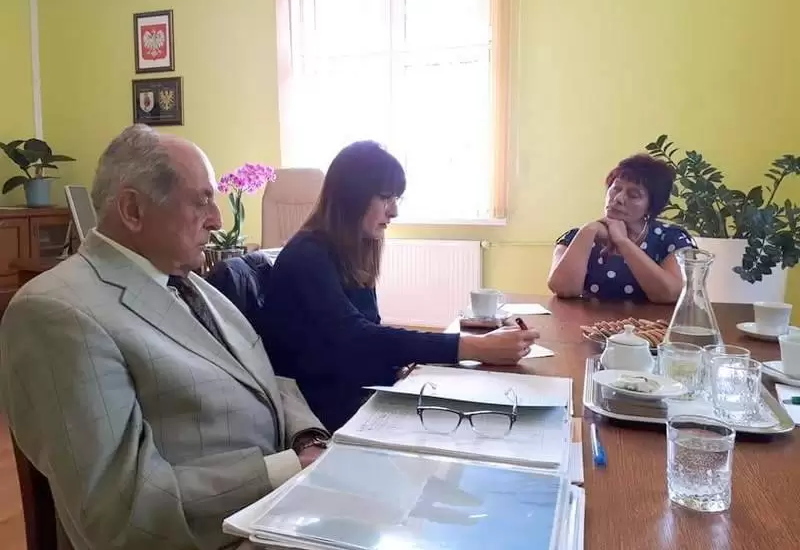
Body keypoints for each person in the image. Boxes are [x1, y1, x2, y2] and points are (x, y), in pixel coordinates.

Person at [0, 124, 328, 550]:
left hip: (280, 511)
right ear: (133, 210)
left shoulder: (193, 284)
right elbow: (119, 512)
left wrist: (309, 441)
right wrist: (286, 469)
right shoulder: (57, 312)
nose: (218, 220)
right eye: (201, 201)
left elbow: (262, 377)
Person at [260, 141, 539, 432]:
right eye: (385, 198)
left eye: (396, 199)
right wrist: (474, 347)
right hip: (319, 415)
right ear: (351, 197)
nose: (393, 211)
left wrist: (398, 368)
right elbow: (355, 337)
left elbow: (368, 332)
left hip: (356, 393)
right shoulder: (306, 255)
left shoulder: (351, 251)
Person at [547, 153, 696, 304]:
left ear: (651, 207)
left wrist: (623, 242)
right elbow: (563, 289)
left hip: (650, 320)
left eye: (633, 195)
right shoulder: (577, 237)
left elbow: (669, 294)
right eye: (616, 188)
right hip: (588, 320)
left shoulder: (671, 238)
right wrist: (588, 231)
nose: (618, 198)